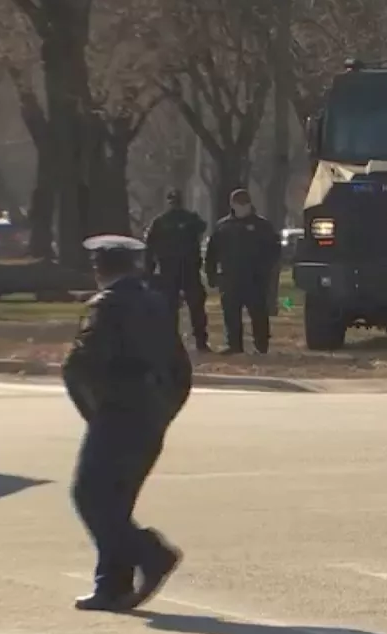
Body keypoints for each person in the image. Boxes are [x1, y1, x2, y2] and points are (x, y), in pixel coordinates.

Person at [62, 234, 191, 611]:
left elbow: (83, 366)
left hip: (117, 415)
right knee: (114, 503)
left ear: (100, 269)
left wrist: (96, 410)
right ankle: (112, 585)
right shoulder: (155, 304)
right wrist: (162, 410)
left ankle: (152, 554)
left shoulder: (107, 306)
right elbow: (180, 370)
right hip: (148, 417)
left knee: (90, 496)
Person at [205, 188, 280, 354]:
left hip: (255, 279)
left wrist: (266, 271)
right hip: (230, 278)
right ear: (232, 205)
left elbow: (274, 250)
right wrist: (211, 274)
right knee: (231, 314)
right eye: (238, 204)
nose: (242, 208)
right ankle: (234, 345)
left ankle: (261, 345)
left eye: (244, 204)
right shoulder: (223, 226)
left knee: (258, 313)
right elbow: (212, 253)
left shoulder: (262, 226)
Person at [143, 189, 210, 352]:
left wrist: (149, 270)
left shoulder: (160, 221)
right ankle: (198, 341)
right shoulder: (189, 219)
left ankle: (174, 341)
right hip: (185, 269)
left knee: (174, 307)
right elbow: (202, 228)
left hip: (173, 269)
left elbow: (149, 247)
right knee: (193, 307)